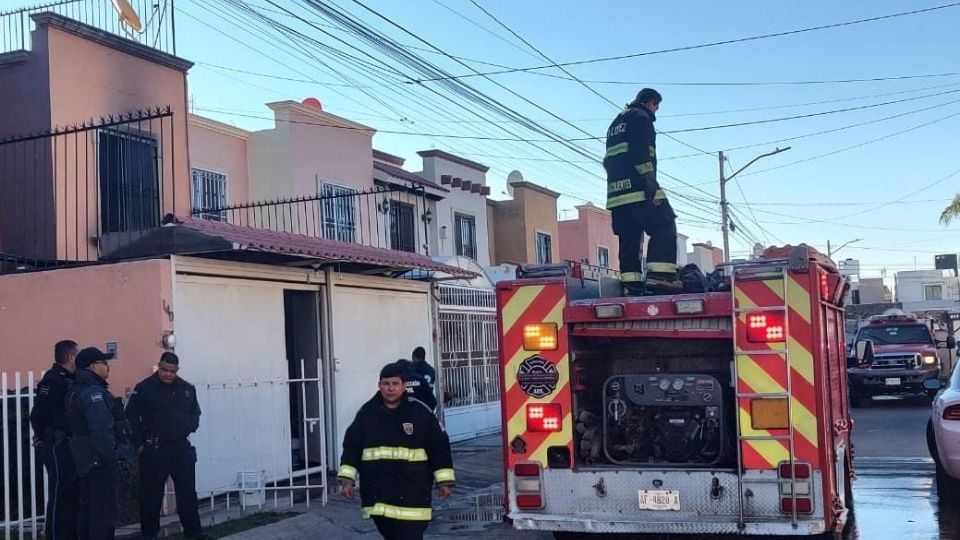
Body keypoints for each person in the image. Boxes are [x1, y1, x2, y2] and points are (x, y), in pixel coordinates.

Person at [338, 362, 455, 540]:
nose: (390, 388)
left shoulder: (420, 413)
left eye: (395, 384)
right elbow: (352, 446)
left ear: (404, 386)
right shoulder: (367, 413)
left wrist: (444, 481)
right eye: (386, 384)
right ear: (379, 386)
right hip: (379, 493)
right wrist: (347, 479)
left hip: (412, 492)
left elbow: (439, 448)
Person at [603, 87, 681, 296]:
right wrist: (649, 180)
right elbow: (642, 152)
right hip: (639, 188)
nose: (656, 111)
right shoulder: (642, 118)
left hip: (617, 195)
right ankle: (660, 278)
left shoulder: (616, 122)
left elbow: (609, 159)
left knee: (629, 237)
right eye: (656, 106)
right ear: (650, 102)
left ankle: (632, 284)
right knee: (664, 223)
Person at [125, 352, 207, 540]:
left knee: (187, 493)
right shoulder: (144, 388)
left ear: (177, 370)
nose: (167, 374)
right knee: (151, 495)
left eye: (171, 371)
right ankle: (150, 534)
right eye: (164, 370)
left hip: (180, 447)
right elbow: (130, 417)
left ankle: (194, 532)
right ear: (159, 366)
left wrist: (190, 426)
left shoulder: (186, 388)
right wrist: (138, 444)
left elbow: (195, 412)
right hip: (155, 448)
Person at [65, 347, 128, 540]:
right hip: (98, 461)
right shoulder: (94, 393)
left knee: (88, 511)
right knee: (103, 513)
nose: (108, 366)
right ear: (92, 366)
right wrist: (114, 456)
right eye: (104, 363)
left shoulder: (76, 389)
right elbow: (101, 431)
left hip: (84, 460)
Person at [29, 340, 80, 540]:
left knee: (72, 492)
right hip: (58, 444)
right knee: (60, 493)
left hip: (69, 444)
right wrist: (43, 436)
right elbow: (38, 414)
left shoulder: (70, 379)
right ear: (70, 357)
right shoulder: (53, 381)